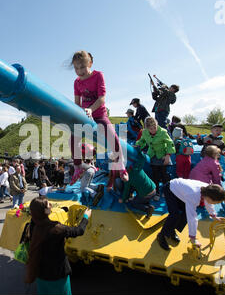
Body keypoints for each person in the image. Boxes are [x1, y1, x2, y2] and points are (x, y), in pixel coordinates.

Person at [70, 50, 127, 185]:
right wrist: (76, 115)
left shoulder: (98, 76)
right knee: (73, 138)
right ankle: (78, 166)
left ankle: (120, 164)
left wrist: (91, 109)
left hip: (99, 114)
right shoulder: (77, 82)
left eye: (82, 67)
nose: (79, 71)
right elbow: (77, 103)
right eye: (76, 68)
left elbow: (101, 99)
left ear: (90, 63)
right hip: (85, 116)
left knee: (112, 135)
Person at [25, 197, 92, 295]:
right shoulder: (56, 229)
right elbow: (79, 231)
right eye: (49, 205)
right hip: (58, 275)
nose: (51, 205)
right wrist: (85, 217)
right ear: (45, 211)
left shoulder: (31, 225)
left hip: (40, 273)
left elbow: (40, 215)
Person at [157, 178, 225, 250]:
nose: (215, 204)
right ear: (210, 197)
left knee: (184, 214)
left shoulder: (208, 190)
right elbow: (192, 217)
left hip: (182, 191)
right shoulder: (194, 196)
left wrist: (214, 216)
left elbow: (209, 203)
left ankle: (171, 230)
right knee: (175, 214)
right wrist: (193, 238)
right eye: (216, 202)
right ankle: (162, 235)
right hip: (171, 189)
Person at [135, 117, 176, 200]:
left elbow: (170, 143)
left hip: (163, 155)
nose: (153, 130)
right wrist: (138, 145)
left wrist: (168, 155)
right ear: (147, 128)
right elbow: (142, 141)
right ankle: (156, 192)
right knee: (155, 175)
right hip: (153, 155)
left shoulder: (163, 132)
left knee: (165, 175)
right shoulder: (145, 132)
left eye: (155, 127)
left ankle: (166, 191)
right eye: (151, 128)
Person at [119, 149, 156, 215]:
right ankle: (147, 202)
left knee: (134, 203)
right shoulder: (137, 168)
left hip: (146, 194)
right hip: (154, 190)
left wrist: (123, 199)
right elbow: (142, 158)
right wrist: (138, 150)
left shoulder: (127, 179)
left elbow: (126, 190)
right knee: (137, 188)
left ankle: (147, 209)